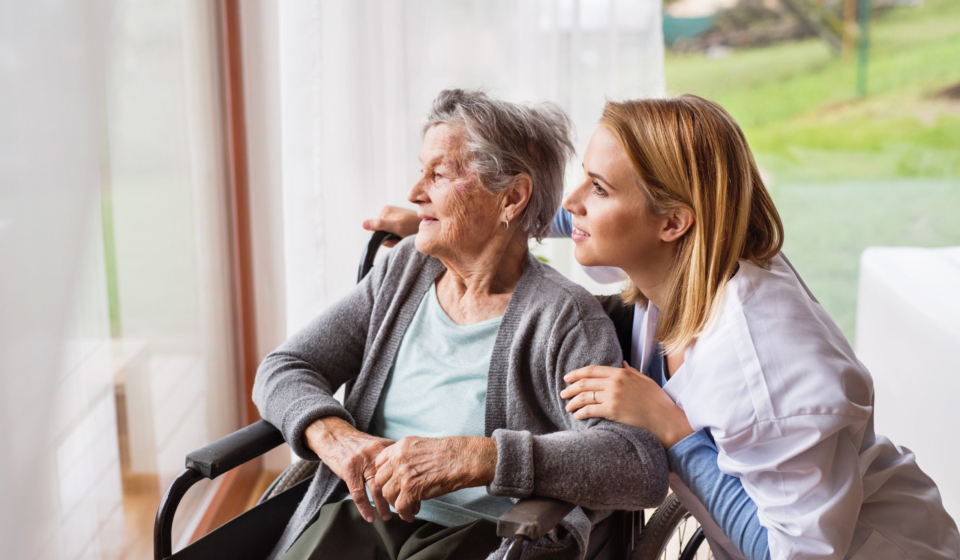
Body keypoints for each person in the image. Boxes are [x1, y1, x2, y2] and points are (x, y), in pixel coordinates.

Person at [363, 95, 960, 560]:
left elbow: (794, 552)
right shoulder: (693, 264)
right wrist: (474, 221)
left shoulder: (767, 362)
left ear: (674, 222)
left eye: (597, 188)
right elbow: (595, 215)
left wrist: (672, 431)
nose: (573, 201)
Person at [255, 89, 669, 560]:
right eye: (421, 170)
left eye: (440, 174)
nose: (415, 194)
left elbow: (637, 466)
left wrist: (481, 457)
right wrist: (335, 437)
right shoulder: (404, 270)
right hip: (359, 518)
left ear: (511, 198)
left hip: (485, 536)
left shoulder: (561, 317)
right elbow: (285, 367)